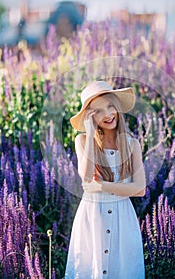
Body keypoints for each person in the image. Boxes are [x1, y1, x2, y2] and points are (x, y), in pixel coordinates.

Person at [65, 81, 146, 278]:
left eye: (110, 106)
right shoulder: (83, 141)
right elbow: (85, 177)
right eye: (98, 111)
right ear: (90, 116)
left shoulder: (131, 144)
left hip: (122, 217)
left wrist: (101, 185)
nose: (108, 114)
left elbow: (140, 189)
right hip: (93, 215)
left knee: (122, 268)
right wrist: (91, 133)